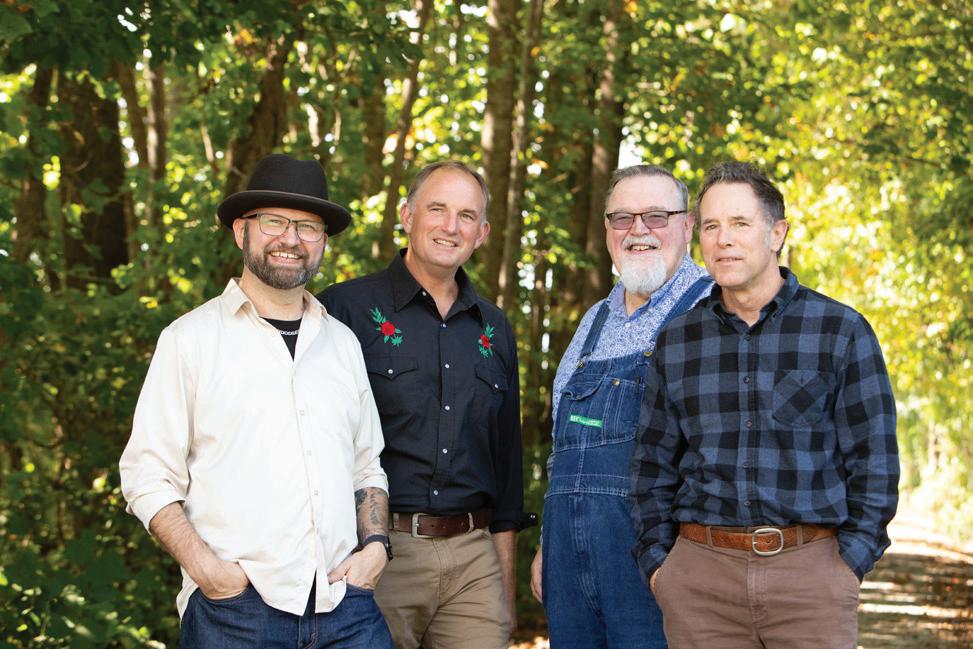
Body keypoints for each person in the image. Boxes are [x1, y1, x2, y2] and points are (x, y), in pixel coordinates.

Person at [119, 153, 395, 648]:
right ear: (240, 231)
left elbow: (366, 466)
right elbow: (147, 474)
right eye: (274, 222)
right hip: (235, 612)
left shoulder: (343, 344)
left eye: (308, 227)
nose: (291, 239)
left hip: (344, 603)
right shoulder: (189, 340)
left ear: (323, 242)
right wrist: (209, 572)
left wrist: (375, 548)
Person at [631, 161, 899, 649]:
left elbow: (874, 461)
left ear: (777, 233)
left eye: (740, 223)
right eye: (711, 226)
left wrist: (848, 565)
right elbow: (651, 464)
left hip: (811, 578)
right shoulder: (677, 341)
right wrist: (661, 567)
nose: (723, 239)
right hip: (699, 582)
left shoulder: (839, 331)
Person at [319, 161, 527, 649]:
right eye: (437, 209)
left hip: (474, 560)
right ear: (407, 215)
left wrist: (505, 589)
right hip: (376, 552)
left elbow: (507, 466)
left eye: (466, 215)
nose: (451, 226)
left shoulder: (495, 329)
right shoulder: (343, 311)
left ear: (482, 233)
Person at [527, 165, 712, 648]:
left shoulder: (712, 311)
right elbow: (562, 448)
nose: (638, 230)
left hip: (658, 568)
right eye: (623, 218)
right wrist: (548, 546)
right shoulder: (594, 319)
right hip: (568, 568)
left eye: (656, 216)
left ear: (688, 226)